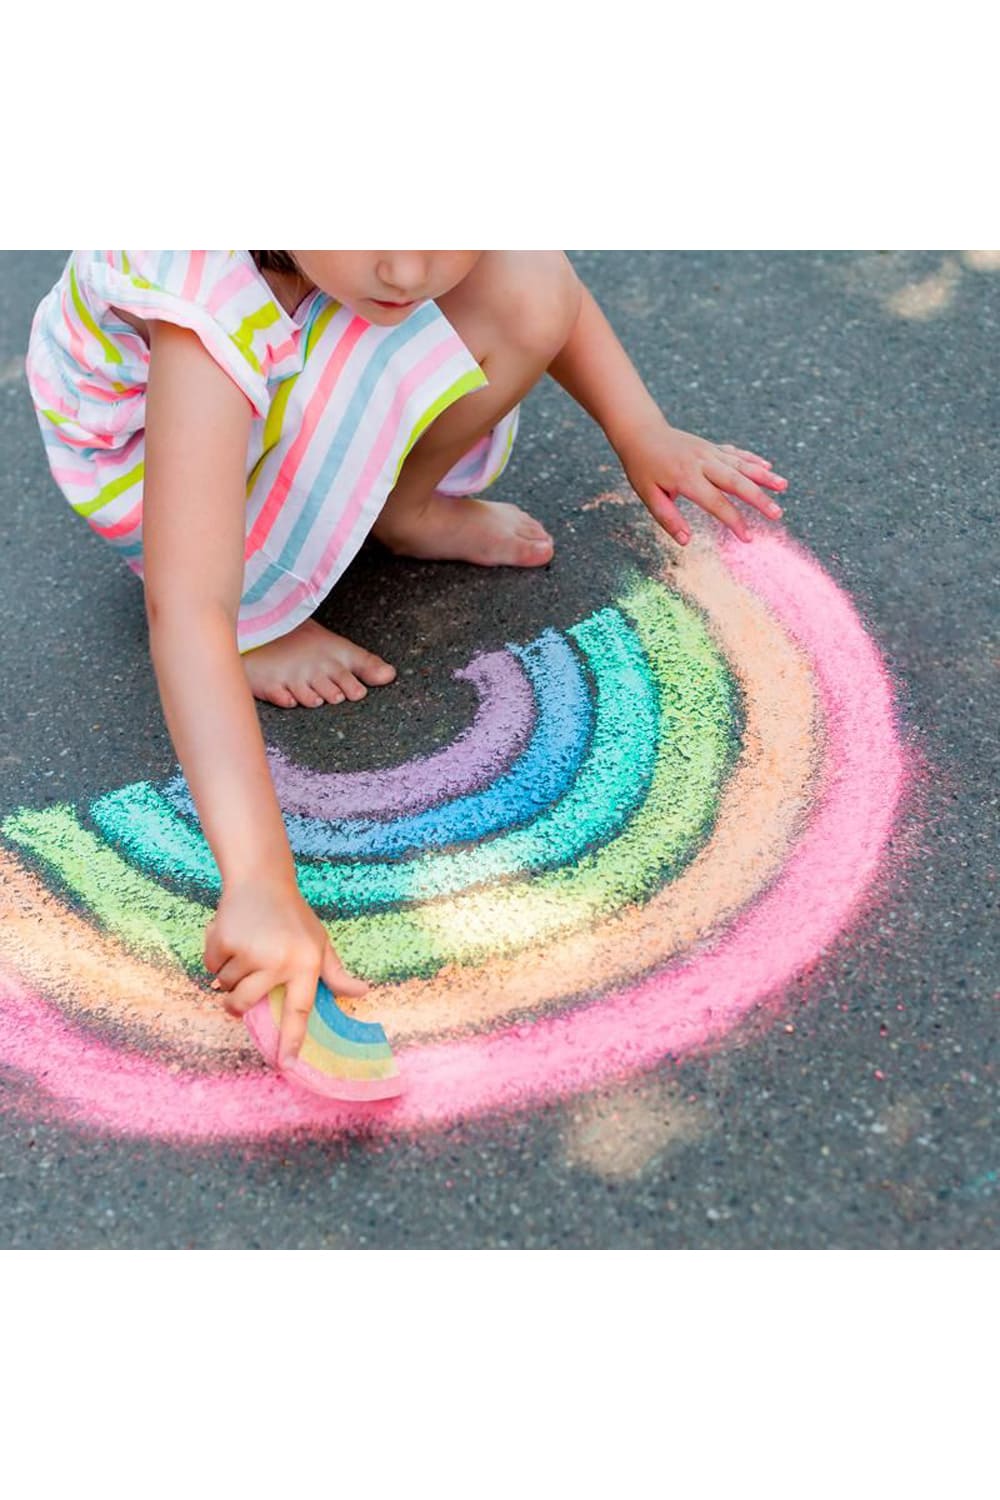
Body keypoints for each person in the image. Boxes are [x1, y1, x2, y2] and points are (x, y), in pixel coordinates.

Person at [25, 249, 788, 1072]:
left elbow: (541, 281)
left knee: (525, 282)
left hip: (280, 349)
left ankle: (403, 509)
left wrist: (639, 428)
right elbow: (186, 610)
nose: (406, 267)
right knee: (212, 583)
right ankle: (262, 615)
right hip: (161, 471)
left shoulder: (366, 254)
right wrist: (260, 885)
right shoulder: (204, 307)